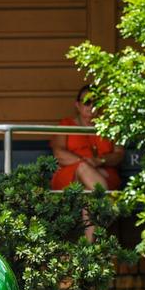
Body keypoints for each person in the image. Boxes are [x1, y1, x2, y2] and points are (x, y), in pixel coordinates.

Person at [51, 83, 125, 241]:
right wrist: (87, 163)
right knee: (84, 169)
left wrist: (101, 160)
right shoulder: (66, 125)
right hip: (71, 177)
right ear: (77, 105)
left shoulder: (110, 127)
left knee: (91, 199)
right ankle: (106, 205)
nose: (91, 107)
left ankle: (90, 253)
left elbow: (119, 155)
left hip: (104, 177)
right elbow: (58, 153)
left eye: (96, 103)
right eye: (87, 103)